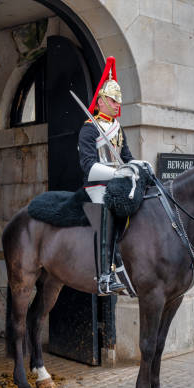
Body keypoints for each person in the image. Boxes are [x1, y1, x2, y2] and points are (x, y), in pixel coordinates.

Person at [78, 56, 134, 295]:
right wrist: (118, 172)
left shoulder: (118, 128)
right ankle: (104, 276)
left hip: (118, 181)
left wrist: (136, 169)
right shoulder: (89, 128)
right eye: (113, 100)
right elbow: (88, 165)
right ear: (101, 101)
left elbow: (128, 157)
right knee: (107, 212)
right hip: (98, 184)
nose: (116, 104)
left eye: (118, 101)